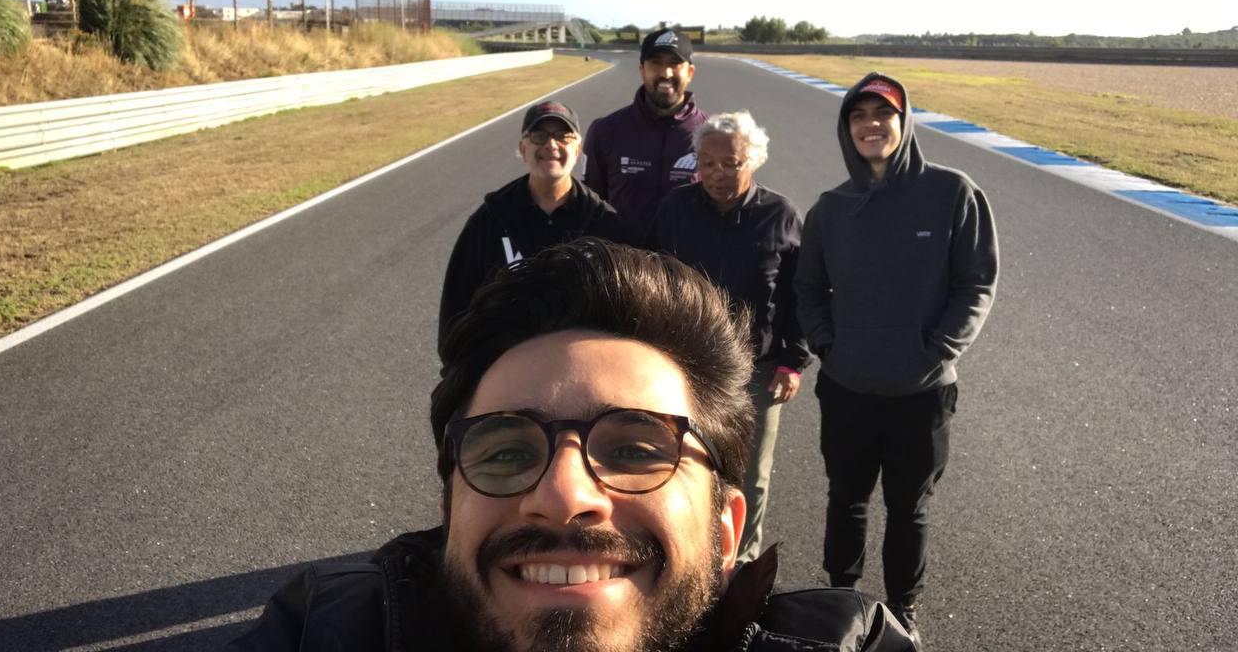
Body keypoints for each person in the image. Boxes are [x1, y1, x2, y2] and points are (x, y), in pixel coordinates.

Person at [232, 239, 917, 651]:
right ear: (449, 516)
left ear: (727, 530)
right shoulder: (320, 631)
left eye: (637, 450)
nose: (563, 495)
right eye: (506, 452)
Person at [794, 73, 999, 648]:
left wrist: (940, 349)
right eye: (859, 116)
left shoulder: (952, 192)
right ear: (847, 129)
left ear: (903, 122)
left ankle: (903, 609)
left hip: (922, 391)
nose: (871, 125)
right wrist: (828, 345)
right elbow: (807, 289)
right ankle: (841, 597)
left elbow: (976, 282)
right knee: (846, 501)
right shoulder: (831, 209)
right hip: (848, 387)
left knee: (909, 510)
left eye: (883, 114)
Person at [647, 110, 810, 565]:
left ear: (752, 160)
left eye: (731, 164)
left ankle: (741, 565)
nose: (717, 173)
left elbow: (802, 293)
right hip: (685, 364)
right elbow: (654, 279)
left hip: (756, 371)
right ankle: (685, 558)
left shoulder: (781, 215)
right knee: (681, 463)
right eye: (707, 163)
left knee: (749, 476)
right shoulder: (674, 209)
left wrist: (793, 361)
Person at [437, 100, 626, 355]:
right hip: (506, 365)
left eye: (563, 136)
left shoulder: (606, 224)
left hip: (578, 367)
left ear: (578, 148)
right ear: (522, 148)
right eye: (539, 135)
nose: (551, 145)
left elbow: (623, 311)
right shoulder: (490, 220)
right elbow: (456, 307)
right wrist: (460, 369)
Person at [582, 28, 709, 238]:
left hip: (688, 259)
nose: (665, 73)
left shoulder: (713, 135)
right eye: (656, 63)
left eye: (674, 63)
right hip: (622, 257)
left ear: (690, 72)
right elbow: (589, 207)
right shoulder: (605, 130)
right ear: (642, 70)